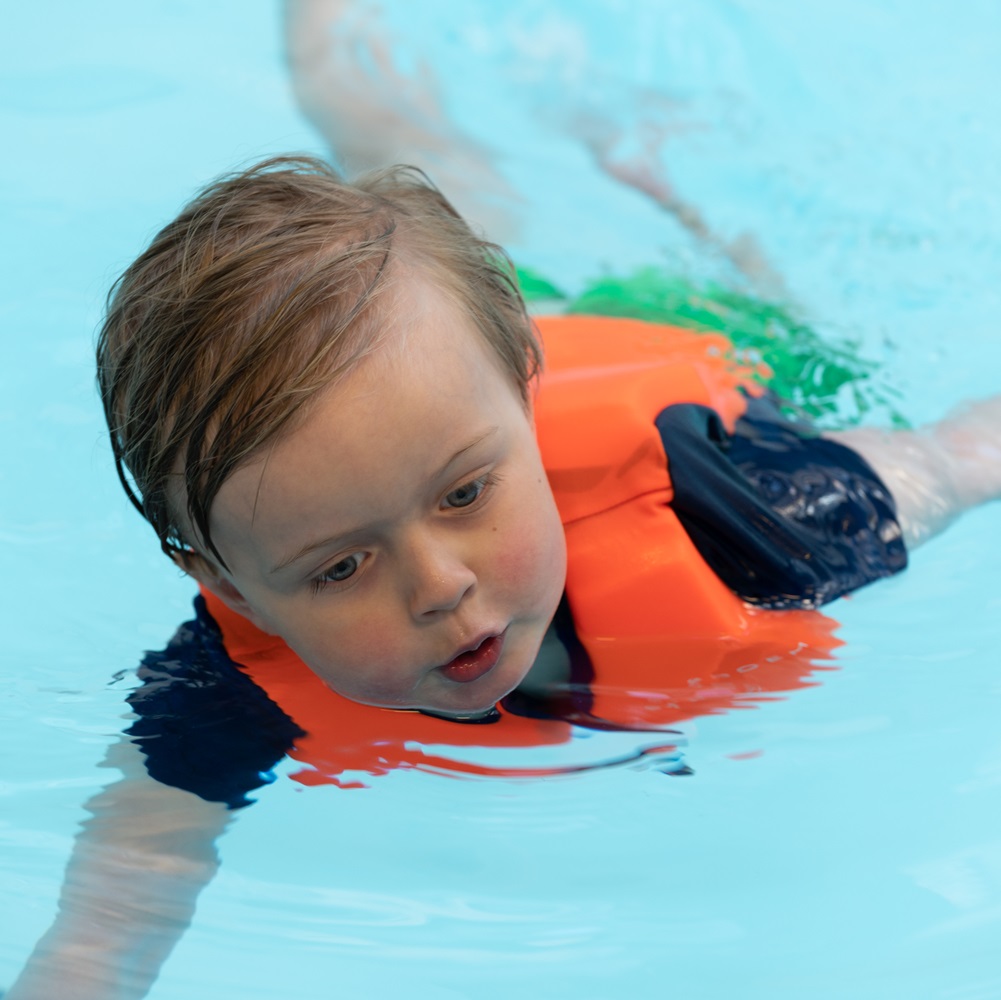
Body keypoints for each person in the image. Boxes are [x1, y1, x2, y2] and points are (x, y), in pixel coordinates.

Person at [7, 154, 999, 999]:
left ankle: (617, 164)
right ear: (226, 586)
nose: (438, 586)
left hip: (696, 336)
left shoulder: (760, 516)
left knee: (753, 300)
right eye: (342, 565)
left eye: (464, 496)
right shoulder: (223, 691)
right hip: (454, 368)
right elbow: (110, 914)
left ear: (528, 396)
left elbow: (960, 454)